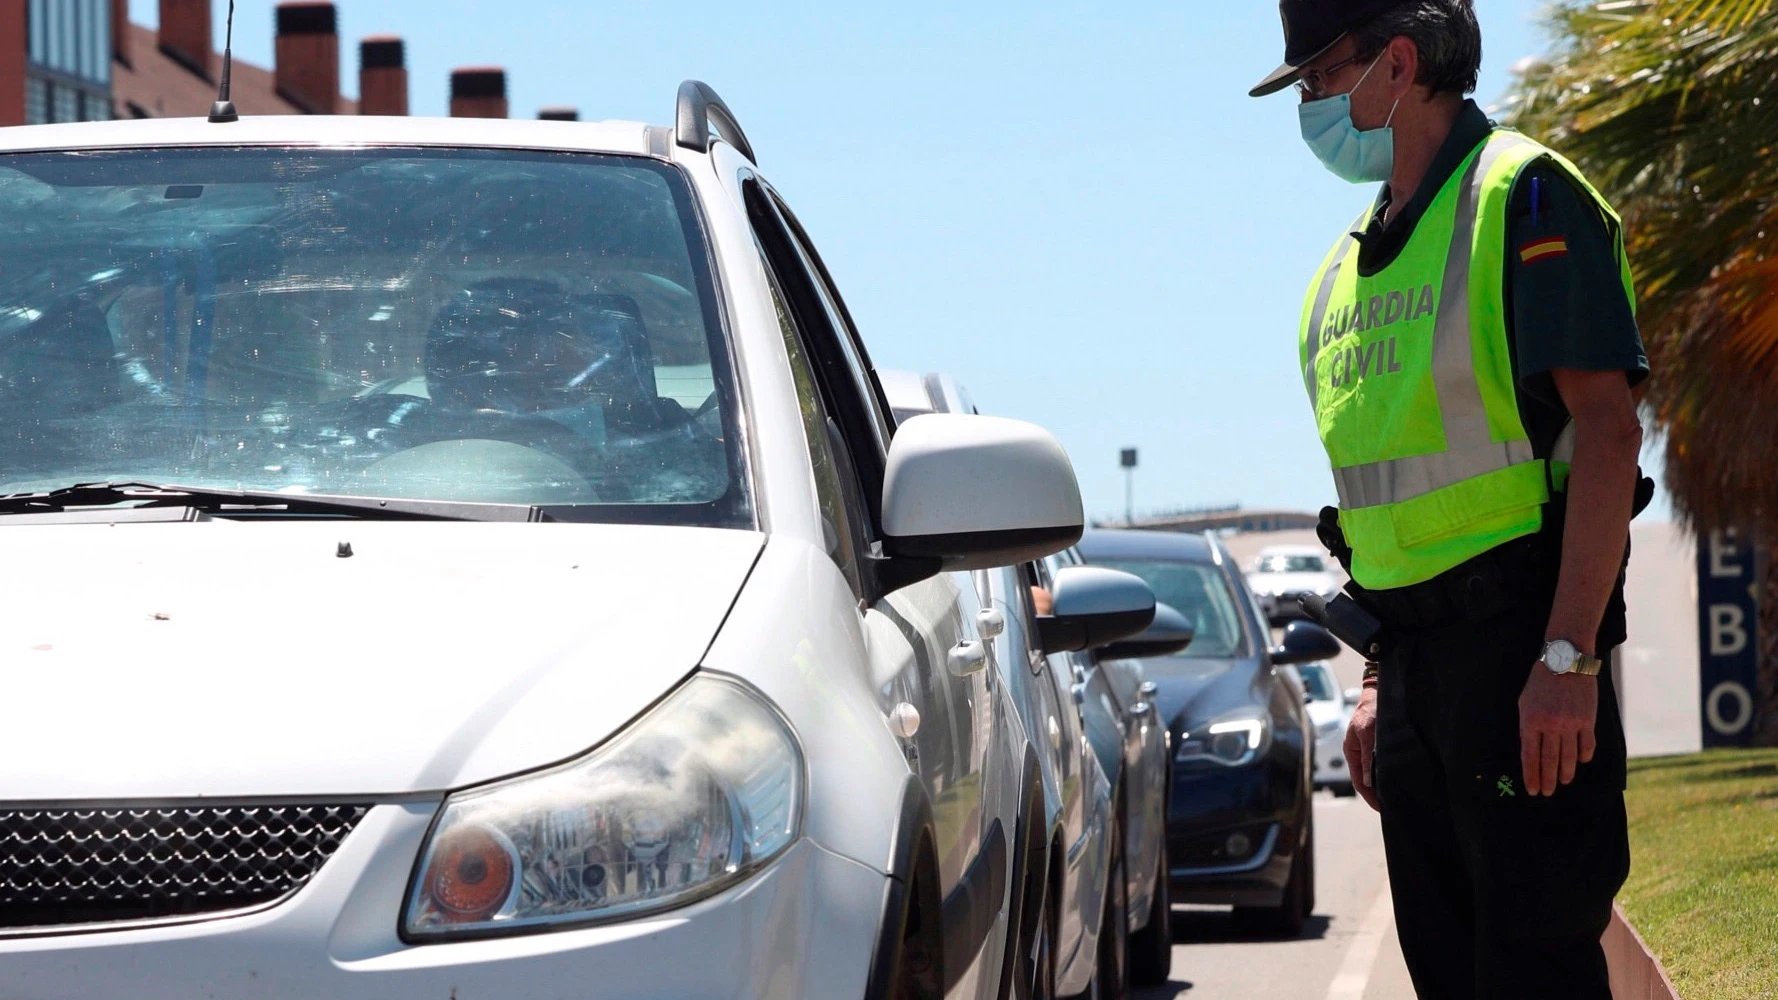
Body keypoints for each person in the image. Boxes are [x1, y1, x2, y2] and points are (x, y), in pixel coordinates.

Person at [1250, 2, 1651, 997]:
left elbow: (1604, 435)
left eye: (1315, 78)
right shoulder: (1336, 281)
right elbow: (1383, 518)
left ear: (1395, 61)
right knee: (1450, 974)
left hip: (1524, 658)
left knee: (1533, 968)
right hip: (1418, 680)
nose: (1308, 103)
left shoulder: (1521, 199)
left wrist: (1566, 656)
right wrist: (1380, 683)